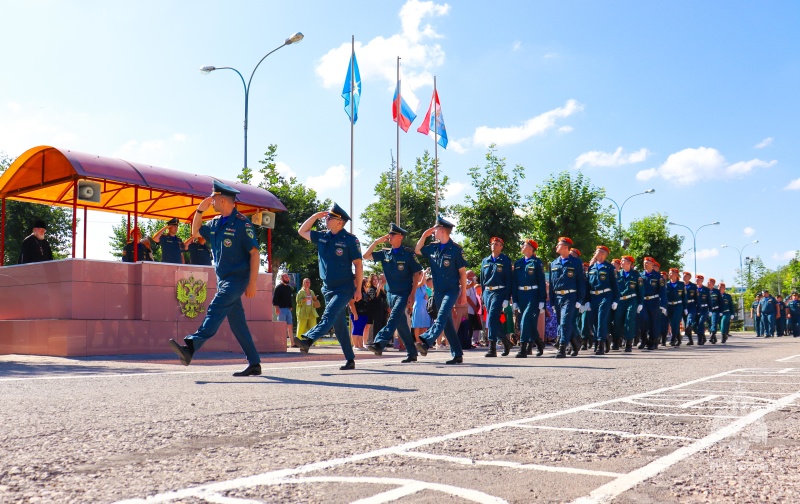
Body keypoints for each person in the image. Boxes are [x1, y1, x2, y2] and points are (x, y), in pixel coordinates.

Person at [167, 180, 262, 376]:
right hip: (224, 279)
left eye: (214, 199)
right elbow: (195, 232)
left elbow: (254, 252)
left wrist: (252, 282)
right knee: (238, 324)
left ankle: (191, 347)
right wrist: (199, 212)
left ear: (223, 200)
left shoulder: (243, 224)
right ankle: (255, 364)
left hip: (237, 278)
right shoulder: (216, 223)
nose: (211, 201)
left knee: (215, 308)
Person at [294, 203, 363, 371]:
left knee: (328, 315)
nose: (327, 219)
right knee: (339, 325)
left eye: (330, 218)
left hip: (344, 288)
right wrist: (315, 216)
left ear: (340, 222)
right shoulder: (323, 236)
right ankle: (350, 359)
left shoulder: (350, 240)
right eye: (327, 216)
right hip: (327, 288)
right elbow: (301, 231)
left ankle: (308, 340)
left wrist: (358, 289)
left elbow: (358, 265)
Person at [364, 223, 424, 363]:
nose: (389, 236)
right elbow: (366, 256)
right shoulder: (385, 253)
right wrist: (376, 242)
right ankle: (412, 352)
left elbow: (417, 273)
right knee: (400, 323)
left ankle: (379, 343)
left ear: (400, 237)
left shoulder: (408, 254)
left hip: (404, 292)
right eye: (389, 234)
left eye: (392, 234)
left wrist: (413, 293)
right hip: (391, 293)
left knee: (394, 317)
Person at [414, 214, 468, 365]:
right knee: (448, 324)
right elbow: (418, 250)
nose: (433, 231)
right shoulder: (432, 247)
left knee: (442, 315)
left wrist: (463, 293)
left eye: (435, 228)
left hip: (451, 291)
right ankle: (457, 354)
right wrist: (424, 235)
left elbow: (462, 273)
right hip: (438, 292)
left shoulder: (456, 250)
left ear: (442, 230)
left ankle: (426, 341)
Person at [549, 237, 586, 358]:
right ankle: (575, 342)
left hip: (570, 296)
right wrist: (552, 301)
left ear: (566, 247)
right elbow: (552, 284)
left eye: (558, 245)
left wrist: (580, 300)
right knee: (562, 323)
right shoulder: (554, 263)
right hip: (558, 296)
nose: (556, 247)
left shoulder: (576, 262)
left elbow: (581, 282)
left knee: (565, 322)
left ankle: (562, 348)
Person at [511, 239, 547, 357]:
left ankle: (523, 348)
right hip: (521, 295)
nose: (522, 247)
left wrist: (542, 300)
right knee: (528, 323)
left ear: (531, 249)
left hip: (533, 294)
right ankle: (539, 343)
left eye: (524, 245)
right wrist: (515, 300)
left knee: (526, 320)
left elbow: (541, 282)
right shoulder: (518, 263)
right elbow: (515, 282)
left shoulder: (537, 263)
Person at [480, 237, 513, 357]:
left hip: (499, 291)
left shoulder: (505, 260)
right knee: (493, 319)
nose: (494, 246)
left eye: (497, 244)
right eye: (492, 244)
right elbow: (482, 280)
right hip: (488, 292)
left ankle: (492, 348)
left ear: (501, 247)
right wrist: (483, 295)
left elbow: (509, 280)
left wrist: (507, 297)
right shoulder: (485, 261)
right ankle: (506, 342)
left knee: (493, 317)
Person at [586, 245, 620, 356]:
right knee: (592, 321)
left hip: (605, 296)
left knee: (601, 320)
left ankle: (599, 345)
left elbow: (615, 286)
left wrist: (616, 300)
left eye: (598, 251)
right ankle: (605, 337)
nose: (595, 252)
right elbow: (588, 286)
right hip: (593, 296)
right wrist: (586, 301)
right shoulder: (592, 268)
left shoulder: (609, 268)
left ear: (604, 254)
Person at [614, 255, 643, 352]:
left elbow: (640, 290)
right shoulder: (617, 274)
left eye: (623, 261)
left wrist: (640, 303)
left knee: (629, 320)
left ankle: (628, 343)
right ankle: (616, 341)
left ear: (629, 263)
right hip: (620, 301)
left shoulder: (636, 275)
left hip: (631, 300)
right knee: (617, 321)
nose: (621, 263)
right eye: (621, 261)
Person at [639, 257, 667, 350]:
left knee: (653, 322)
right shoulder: (640, 275)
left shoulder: (658, 277)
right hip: (643, 302)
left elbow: (662, 292)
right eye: (644, 262)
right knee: (643, 320)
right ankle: (643, 340)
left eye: (647, 263)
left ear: (652, 264)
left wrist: (663, 305)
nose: (645, 264)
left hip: (654, 301)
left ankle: (653, 341)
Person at [665, 268, 687, 346]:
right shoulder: (666, 284)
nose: (670, 274)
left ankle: (673, 339)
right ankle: (678, 337)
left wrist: (685, 308)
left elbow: (684, 297)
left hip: (678, 305)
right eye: (669, 273)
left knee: (675, 322)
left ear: (676, 275)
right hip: (669, 305)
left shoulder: (681, 284)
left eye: (672, 273)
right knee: (672, 323)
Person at [272, 271, 295, 345]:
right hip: (281, 309)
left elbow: (289, 298)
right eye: (285, 277)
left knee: (290, 326)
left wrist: (291, 307)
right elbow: (275, 299)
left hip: (288, 309)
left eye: (288, 277)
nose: (287, 278)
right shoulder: (278, 288)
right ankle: (281, 343)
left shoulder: (289, 288)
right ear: (281, 278)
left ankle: (292, 343)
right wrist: (276, 308)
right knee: (282, 328)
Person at [349, 278, 370, 350]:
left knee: (361, 328)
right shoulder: (353, 290)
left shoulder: (362, 289)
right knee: (356, 328)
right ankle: (356, 345)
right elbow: (351, 304)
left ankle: (360, 344)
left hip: (364, 312)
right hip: (357, 312)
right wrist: (355, 314)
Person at [295, 278, 319, 343]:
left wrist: (314, 298)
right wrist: (304, 299)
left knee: (313, 327)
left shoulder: (312, 292)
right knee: (301, 327)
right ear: (303, 283)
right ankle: (299, 342)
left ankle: (313, 342)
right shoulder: (300, 292)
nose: (308, 284)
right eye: (306, 282)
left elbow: (314, 301)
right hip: (303, 312)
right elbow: (297, 301)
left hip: (311, 311)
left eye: (309, 282)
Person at [412, 272, 433, 343]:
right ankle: (418, 341)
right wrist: (424, 273)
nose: (423, 276)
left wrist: (427, 295)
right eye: (421, 275)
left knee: (423, 325)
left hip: (424, 306)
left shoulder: (424, 286)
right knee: (417, 325)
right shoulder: (415, 284)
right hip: (418, 306)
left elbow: (424, 283)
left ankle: (421, 340)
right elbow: (421, 283)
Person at [465, 270, 483, 348]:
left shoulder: (472, 284)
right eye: (473, 274)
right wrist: (474, 307)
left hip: (472, 310)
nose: (475, 276)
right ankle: (467, 342)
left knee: (472, 326)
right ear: (469, 276)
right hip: (469, 309)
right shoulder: (467, 283)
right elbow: (467, 297)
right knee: (468, 327)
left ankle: (469, 342)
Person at [695, 275, 711, 345]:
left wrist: (710, 310)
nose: (697, 281)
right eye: (696, 279)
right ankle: (703, 336)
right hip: (695, 308)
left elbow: (709, 300)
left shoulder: (706, 290)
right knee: (694, 324)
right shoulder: (693, 288)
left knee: (701, 322)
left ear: (702, 281)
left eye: (699, 280)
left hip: (704, 308)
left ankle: (700, 338)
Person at [683, 272, 698, 345]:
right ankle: (690, 340)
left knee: (690, 318)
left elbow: (697, 297)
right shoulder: (681, 285)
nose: (684, 277)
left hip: (691, 304)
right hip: (683, 305)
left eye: (686, 276)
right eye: (684, 276)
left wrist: (698, 307)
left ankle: (689, 325)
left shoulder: (694, 286)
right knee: (685, 322)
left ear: (689, 277)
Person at [707, 278, 721, 344]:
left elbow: (721, 302)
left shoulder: (717, 291)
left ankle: (712, 335)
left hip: (715, 309)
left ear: (713, 284)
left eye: (709, 282)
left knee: (714, 323)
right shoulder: (705, 290)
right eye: (708, 282)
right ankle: (714, 336)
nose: (708, 283)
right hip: (707, 310)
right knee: (709, 323)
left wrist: (721, 311)